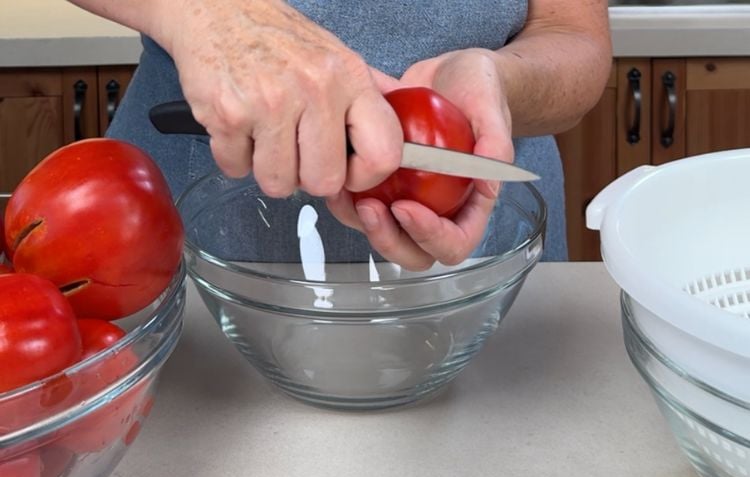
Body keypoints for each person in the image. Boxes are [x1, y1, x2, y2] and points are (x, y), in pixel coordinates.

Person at [69, 0, 612, 268]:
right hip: (192, 236)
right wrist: (206, 14)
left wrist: (502, 82)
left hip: (489, 259)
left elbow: (573, 35)